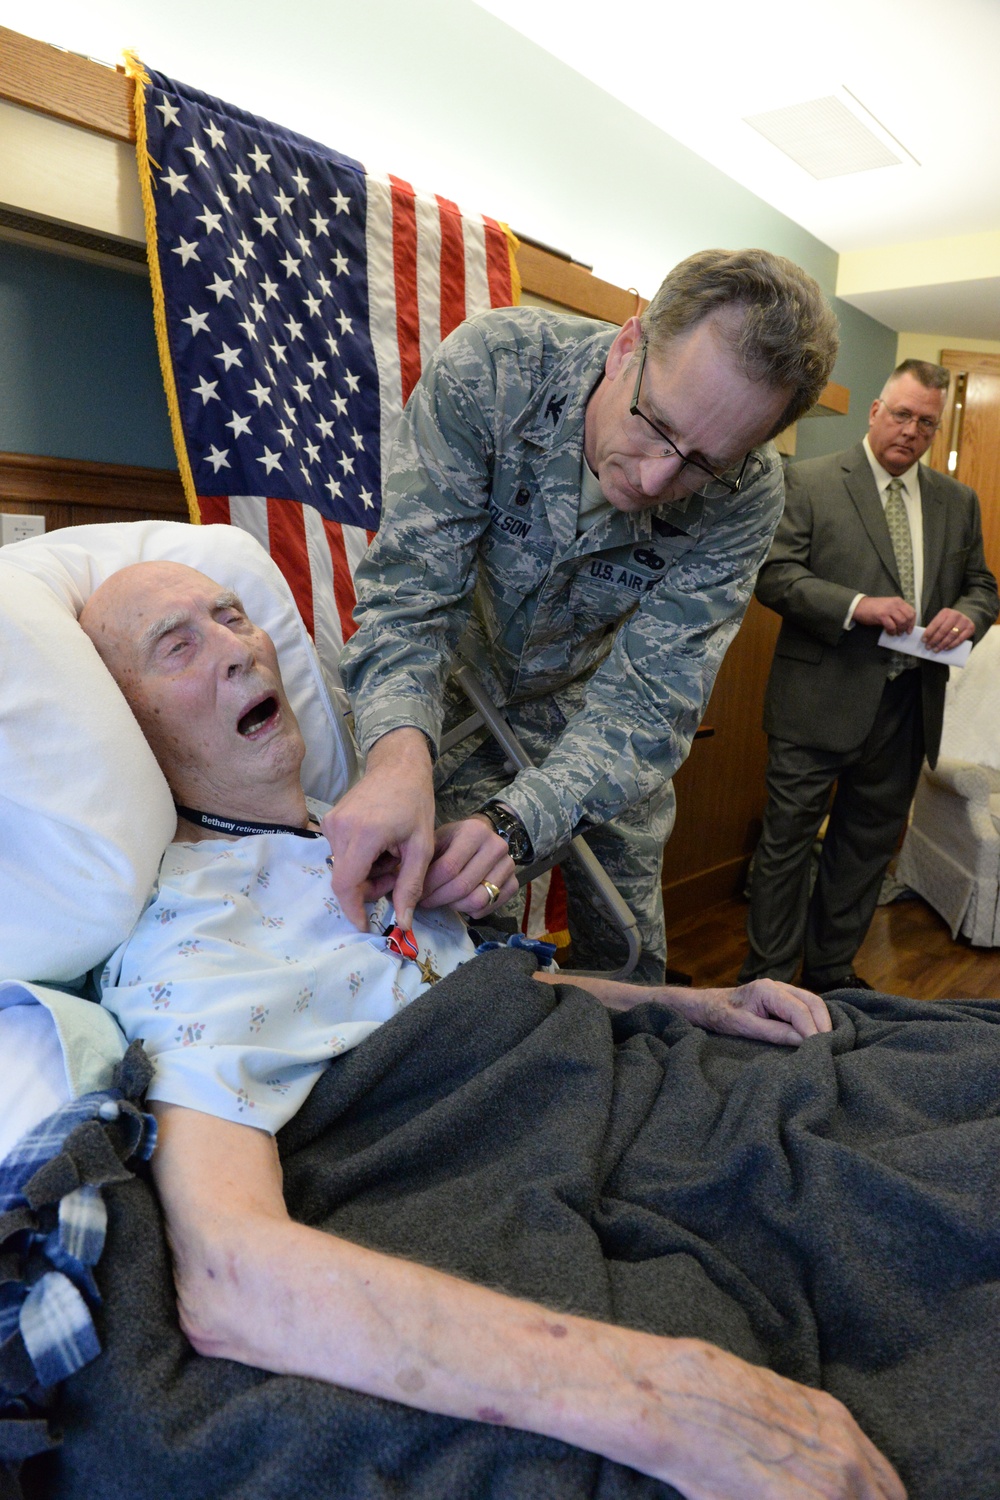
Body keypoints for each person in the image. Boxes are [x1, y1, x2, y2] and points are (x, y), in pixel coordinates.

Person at [76, 560, 907, 1500]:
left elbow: (474, 985)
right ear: (127, 725)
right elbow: (230, 1272)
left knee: (911, 1065)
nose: (234, 649)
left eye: (231, 616)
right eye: (178, 648)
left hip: (635, 1082)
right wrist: (665, 1396)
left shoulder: (346, 833)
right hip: (511, 1168)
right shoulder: (192, 937)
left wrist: (698, 1004)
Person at [333, 249, 841, 982]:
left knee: (630, 949)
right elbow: (411, 600)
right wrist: (397, 757)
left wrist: (516, 823)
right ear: (628, 345)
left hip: (596, 722)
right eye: (656, 423)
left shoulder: (751, 493)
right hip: (450, 695)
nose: (658, 477)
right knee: (453, 937)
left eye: (705, 462)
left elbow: (651, 697)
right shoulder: (497, 368)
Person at [740, 359, 999, 993]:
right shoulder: (808, 482)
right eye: (903, 414)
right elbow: (775, 577)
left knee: (861, 853)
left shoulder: (957, 502)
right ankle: (767, 981)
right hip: (817, 701)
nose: (912, 431)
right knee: (785, 849)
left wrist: (965, 619)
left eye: (927, 423)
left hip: (909, 706)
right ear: (876, 410)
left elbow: (982, 587)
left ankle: (830, 975)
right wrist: (859, 607)